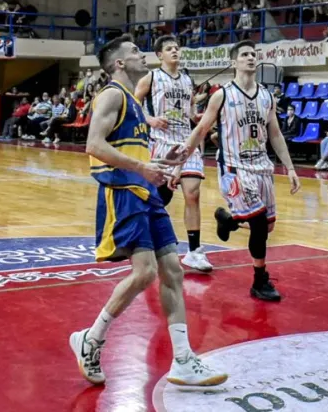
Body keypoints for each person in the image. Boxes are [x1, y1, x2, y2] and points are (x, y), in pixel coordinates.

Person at [69, 35, 226, 388]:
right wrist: (141, 168)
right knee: (145, 272)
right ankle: (91, 338)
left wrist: (161, 162)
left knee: (173, 270)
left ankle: (183, 360)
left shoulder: (134, 103)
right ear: (119, 63)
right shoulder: (111, 95)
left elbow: (132, 151)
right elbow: (93, 145)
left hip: (146, 191)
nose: (142, 55)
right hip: (123, 191)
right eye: (135, 52)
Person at [185, 40, 301, 301]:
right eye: (245, 54)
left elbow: (275, 134)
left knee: (266, 227)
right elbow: (202, 128)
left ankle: (229, 220)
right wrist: (183, 153)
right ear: (234, 62)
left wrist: (290, 167)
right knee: (258, 223)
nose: (251, 58)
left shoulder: (267, 96)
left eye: (253, 54)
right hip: (234, 168)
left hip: (262, 167)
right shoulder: (222, 95)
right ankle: (260, 280)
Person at [135, 35, 213, 273]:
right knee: (159, 199)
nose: (175, 51)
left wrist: (198, 117)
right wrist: (150, 119)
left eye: (177, 48)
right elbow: (133, 104)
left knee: (192, 193)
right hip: (161, 143)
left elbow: (190, 111)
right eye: (169, 49)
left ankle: (194, 251)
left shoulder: (187, 79)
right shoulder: (151, 77)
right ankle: (147, 241)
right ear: (160, 55)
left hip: (186, 142)